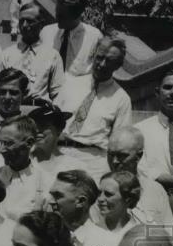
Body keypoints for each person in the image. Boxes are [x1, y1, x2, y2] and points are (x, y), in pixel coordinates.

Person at [133, 68, 173, 237]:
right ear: (157, 92)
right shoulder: (140, 130)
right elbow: (140, 169)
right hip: (150, 205)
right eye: (168, 87)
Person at [56, 37, 132, 178]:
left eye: (110, 61)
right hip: (60, 152)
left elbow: (119, 142)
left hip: (94, 161)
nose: (102, 65)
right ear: (93, 55)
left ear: (118, 65)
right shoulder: (69, 84)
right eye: (100, 57)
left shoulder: (122, 98)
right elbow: (52, 122)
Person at [98, 126, 173, 232]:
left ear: (139, 156)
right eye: (111, 155)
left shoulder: (155, 190)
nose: (115, 161)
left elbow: (170, 235)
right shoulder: (98, 190)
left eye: (122, 156)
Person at [0, 3, 64, 103]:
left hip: (40, 114)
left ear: (41, 24)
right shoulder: (7, 55)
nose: (24, 25)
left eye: (30, 21)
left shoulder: (52, 56)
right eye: (21, 21)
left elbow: (57, 94)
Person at [40, 0, 102, 88]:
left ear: (77, 16)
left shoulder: (94, 37)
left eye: (62, 16)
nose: (57, 17)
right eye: (57, 12)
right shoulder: (46, 32)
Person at [0, 115, 52, 221]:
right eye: (1, 143)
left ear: (29, 143)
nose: (1, 150)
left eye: (8, 143)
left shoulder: (45, 182)